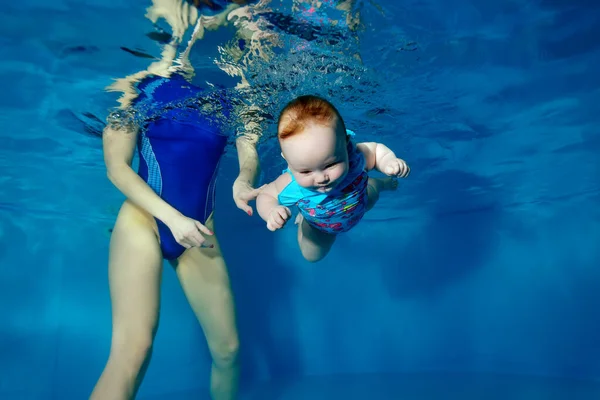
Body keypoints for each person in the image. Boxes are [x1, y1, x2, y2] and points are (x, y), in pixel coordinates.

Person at [89, 1, 265, 400]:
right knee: (133, 350)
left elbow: (249, 149)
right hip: (145, 221)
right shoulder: (138, 85)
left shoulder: (240, 94)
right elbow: (117, 168)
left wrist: (243, 179)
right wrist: (173, 219)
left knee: (229, 351)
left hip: (200, 229)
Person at [255, 95, 410, 262]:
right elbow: (266, 196)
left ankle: (380, 183)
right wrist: (271, 211)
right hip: (320, 228)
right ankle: (303, 223)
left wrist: (388, 162)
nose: (321, 178)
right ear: (288, 160)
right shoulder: (291, 184)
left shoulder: (355, 157)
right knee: (312, 255)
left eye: (330, 165)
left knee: (373, 192)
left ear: (345, 143)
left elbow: (377, 150)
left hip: (361, 202)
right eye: (306, 171)